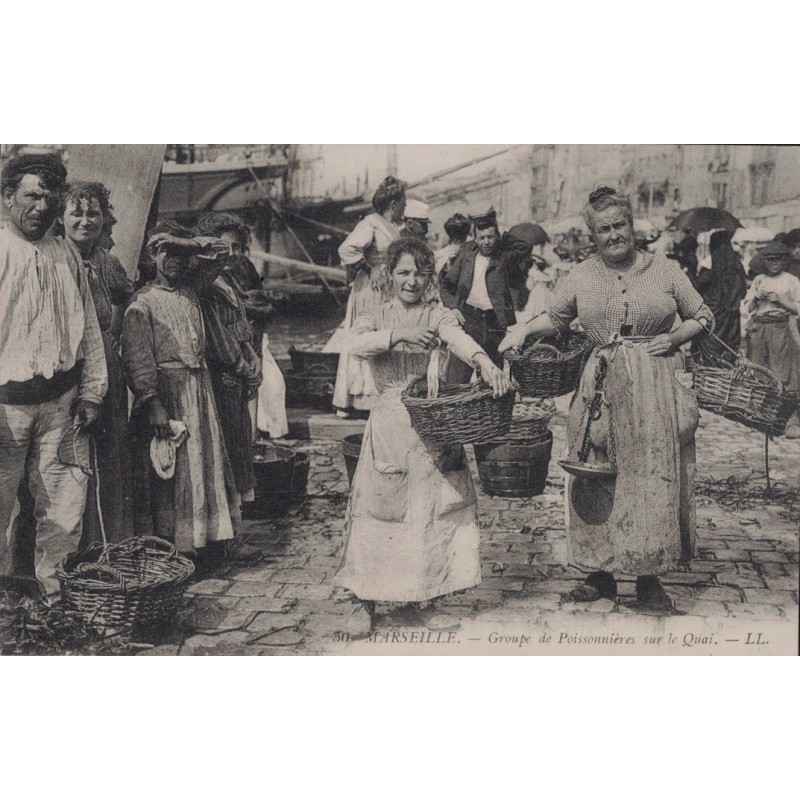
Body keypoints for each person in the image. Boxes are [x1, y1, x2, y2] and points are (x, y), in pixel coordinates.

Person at [500, 186, 714, 612]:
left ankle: (649, 576)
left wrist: (671, 338)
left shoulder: (666, 270)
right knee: (595, 473)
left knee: (650, 476)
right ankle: (600, 574)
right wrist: (521, 330)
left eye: (620, 225)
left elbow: (702, 316)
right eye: (603, 229)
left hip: (654, 386)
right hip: (598, 386)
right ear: (592, 236)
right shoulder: (581, 275)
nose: (614, 235)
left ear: (632, 226)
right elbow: (556, 317)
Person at [333, 237, 513, 636]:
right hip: (391, 424)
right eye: (403, 272)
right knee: (380, 512)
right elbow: (355, 344)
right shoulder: (375, 313)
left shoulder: (439, 313)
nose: (412, 281)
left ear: (430, 276)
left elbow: (459, 340)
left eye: (419, 273)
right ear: (390, 275)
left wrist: (484, 362)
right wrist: (396, 336)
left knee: (431, 512)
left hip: (433, 422)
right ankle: (364, 600)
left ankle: (425, 597)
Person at [0, 155, 107, 598]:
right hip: (6, 407)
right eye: (32, 195)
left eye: (50, 197)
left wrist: (92, 392)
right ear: (8, 198)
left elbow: (90, 329)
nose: (42, 207)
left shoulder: (66, 253)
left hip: (61, 405)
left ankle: (55, 597)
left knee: (63, 506)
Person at [121, 227, 240, 563]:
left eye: (180, 255)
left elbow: (221, 251)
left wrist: (185, 244)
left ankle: (207, 539)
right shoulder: (142, 304)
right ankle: (178, 547)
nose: (174, 260)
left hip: (199, 392)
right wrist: (152, 401)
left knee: (204, 463)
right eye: (164, 253)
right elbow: (137, 358)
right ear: (150, 256)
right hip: (168, 395)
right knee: (175, 472)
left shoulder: (191, 290)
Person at [192, 213, 263, 508]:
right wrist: (242, 365)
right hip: (221, 376)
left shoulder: (229, 281)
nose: (232, 255)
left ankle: (238, 520)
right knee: (227, 446)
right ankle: (228, 527)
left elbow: (239, 325)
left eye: (236, 248)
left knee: (240, 442)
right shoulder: (205, 285)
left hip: (237, 374)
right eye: (224, 248)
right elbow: (217, 335)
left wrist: (251, 353)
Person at [329, 176, 406, 415]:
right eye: (403, 201)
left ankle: (377, 393)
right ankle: (357, 397)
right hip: (370, 289)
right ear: (394, 202)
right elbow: (347, 248)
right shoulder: (371, 223)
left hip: (386, 288)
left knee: (382, 334)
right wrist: (368, 266)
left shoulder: (391, 226)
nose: (405, 205)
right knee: (367, 334)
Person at [439, 207, 520, 384]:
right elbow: (446, 287)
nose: (486, 242)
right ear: (475, 238)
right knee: (457, 377)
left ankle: (486, 412)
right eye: (482, 238)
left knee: (492, 377)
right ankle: (455, 409)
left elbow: (524, 247)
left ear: (496, 237)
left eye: (491, 237)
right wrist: (453, 307)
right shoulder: (467, 256)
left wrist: (503, 236)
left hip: (494, 321)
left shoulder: (503, 256)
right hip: (468, 318)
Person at [743, 240, 800, 438]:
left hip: (780, 327)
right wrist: (757, 298)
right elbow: (748, 308)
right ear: (764, 261)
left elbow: (798, 308)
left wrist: (782, 301)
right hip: (760, 328)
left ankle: (790, 420)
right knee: (760, 370)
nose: (773, 264)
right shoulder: (759, 280)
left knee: (783, 372)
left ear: (784, 261)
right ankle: (764, 417)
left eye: (777, 260)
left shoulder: (791, 281)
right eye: (769, 260)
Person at [693, 229, 748, 363]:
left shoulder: (708, 265)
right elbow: (743, 291)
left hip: (714, 314)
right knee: (728, 349)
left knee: (711, 349)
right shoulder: (736, 264)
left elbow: (697, 289)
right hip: (732, 317)